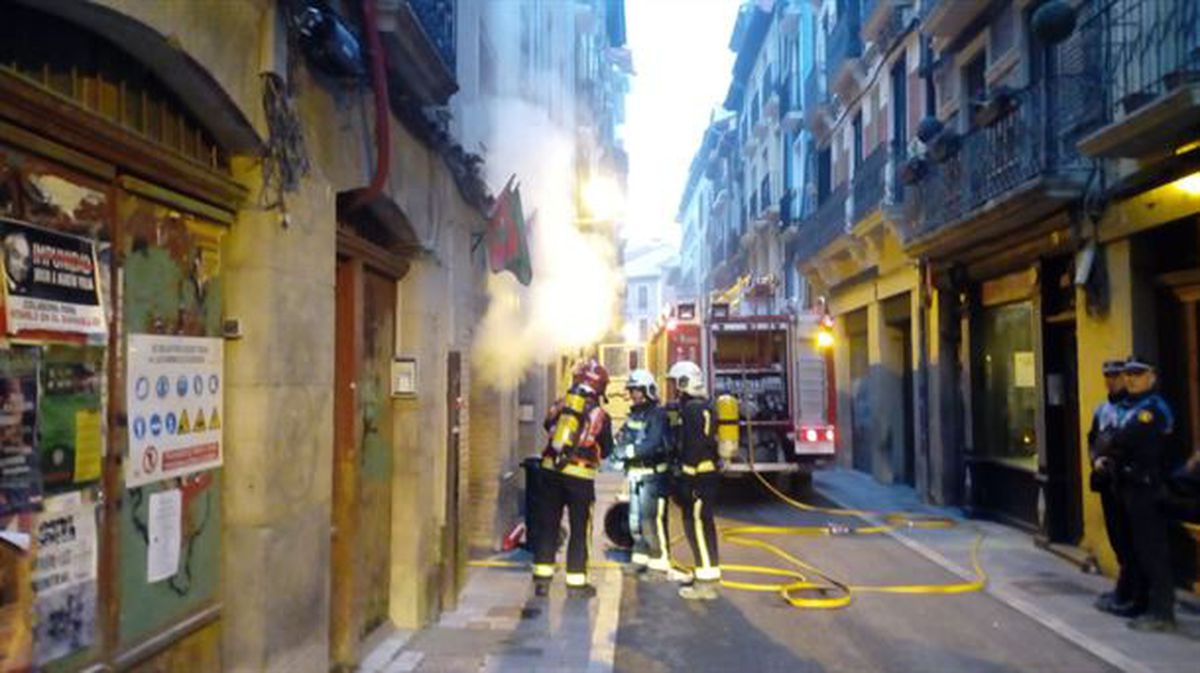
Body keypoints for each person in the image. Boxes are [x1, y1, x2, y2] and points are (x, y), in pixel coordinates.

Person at [531, 359, 613, 599]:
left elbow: (547, 425)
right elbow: (606, 449)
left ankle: (542, 580)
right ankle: (576, 583)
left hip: (551, 472)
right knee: (579, 530)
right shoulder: (600, 414)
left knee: (548, 525)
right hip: (580, 478)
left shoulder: (562, 403)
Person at [1109, 356, 1177, 632]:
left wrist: (1113, 444)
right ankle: (1141, 601)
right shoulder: (1131, 407)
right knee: (1137, 549)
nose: (1131, 379)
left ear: (1153, 376)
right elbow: (1111, 440)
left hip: (1149, 488)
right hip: (1130, 486)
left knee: (1153, 551)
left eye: (1137, 373)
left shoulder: (1152, 409)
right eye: (1128, 374)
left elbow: (1122, 439)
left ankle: (1163, 612)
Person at [666, 360, 721, 601]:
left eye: (675, 384)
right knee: (700, 525)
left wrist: (686, 479)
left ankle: (706, 584)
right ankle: (703, 573)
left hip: (698, 477)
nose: (674, 390)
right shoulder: (704, 406)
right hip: (705, 475)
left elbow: (694, 446)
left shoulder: (692, 410)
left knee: (698, 527)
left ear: (684, 382)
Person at [1088, 359, 1138, 616]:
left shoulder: (1134, 410)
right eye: (1107, 376)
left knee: (1130, 537)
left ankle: (1129, 591)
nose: (1111, 380)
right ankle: (1124, 586)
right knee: (1117, 534)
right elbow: (1093, 439)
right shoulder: (1102, 410)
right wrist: (1095, 460)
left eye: (1116, 376)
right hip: (1108, 482)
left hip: (1128, 483)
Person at [615, 369, 671, 578]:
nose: (633, 394)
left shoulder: (658, 414)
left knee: (650, 521)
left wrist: (627, 452)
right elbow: (623, 435)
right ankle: (640, 559)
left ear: (648, 390)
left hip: (652, 478)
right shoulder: (635, 414)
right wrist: (617, 447)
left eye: (637, 390)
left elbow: (653, 443)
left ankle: (658, 563)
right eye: (632, 390)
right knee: (635, 522)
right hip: (636, 476)